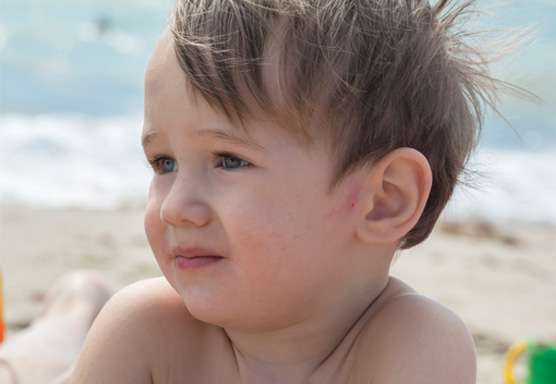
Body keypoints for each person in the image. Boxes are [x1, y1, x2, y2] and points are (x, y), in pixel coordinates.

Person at [4, 0, 527, 382]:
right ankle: (78, 303)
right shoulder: (146, 328)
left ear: (384, 199)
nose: (175, 207)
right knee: (41, 355)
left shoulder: (411, 343)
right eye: (163, 163)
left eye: (229, 160)